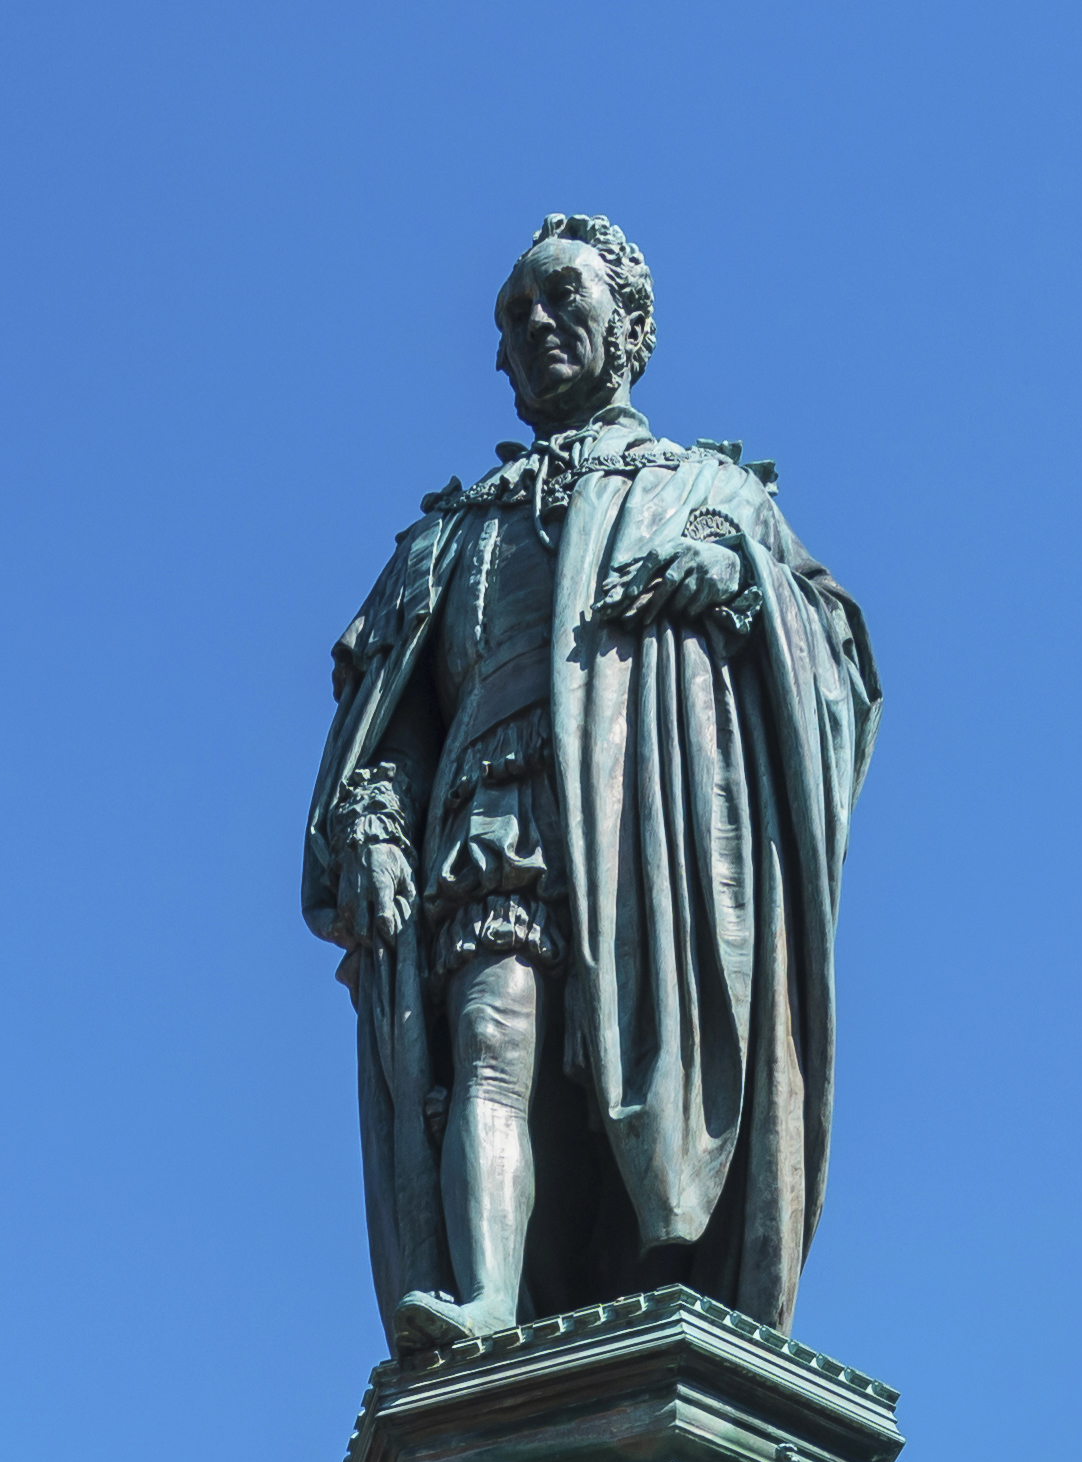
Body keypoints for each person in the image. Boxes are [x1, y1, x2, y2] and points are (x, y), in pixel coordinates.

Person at [307, 216, 881, 1357]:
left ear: (629, 325)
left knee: (633, 1071)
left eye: (557, 298)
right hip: (493, 801)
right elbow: (386, 730)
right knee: (490, 1044)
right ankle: (487, 1309)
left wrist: (734, 581)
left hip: (650, 826)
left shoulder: (710, 492)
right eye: (511, 317)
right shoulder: (448, 537)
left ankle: (669, 1279)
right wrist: (373, 827)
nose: (533, 326)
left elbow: (840, 666)